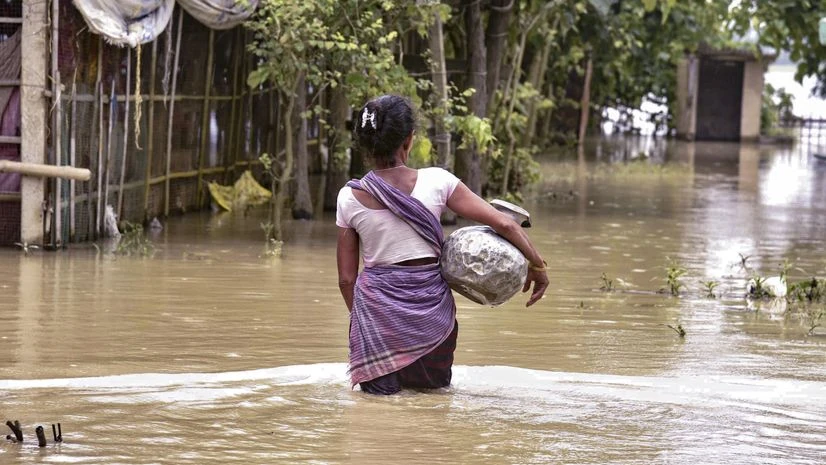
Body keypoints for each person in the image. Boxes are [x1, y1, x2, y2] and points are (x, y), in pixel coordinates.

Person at [336, 95, 548, 395]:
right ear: (409, 141)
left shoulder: (349, 197)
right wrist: (537, 265)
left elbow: (346, 279)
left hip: (377, 321)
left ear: (363, 143)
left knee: (377, 413)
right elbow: (505, 224)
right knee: (432, 407)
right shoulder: (437, 181)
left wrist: (366, 322)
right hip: (432, 321)